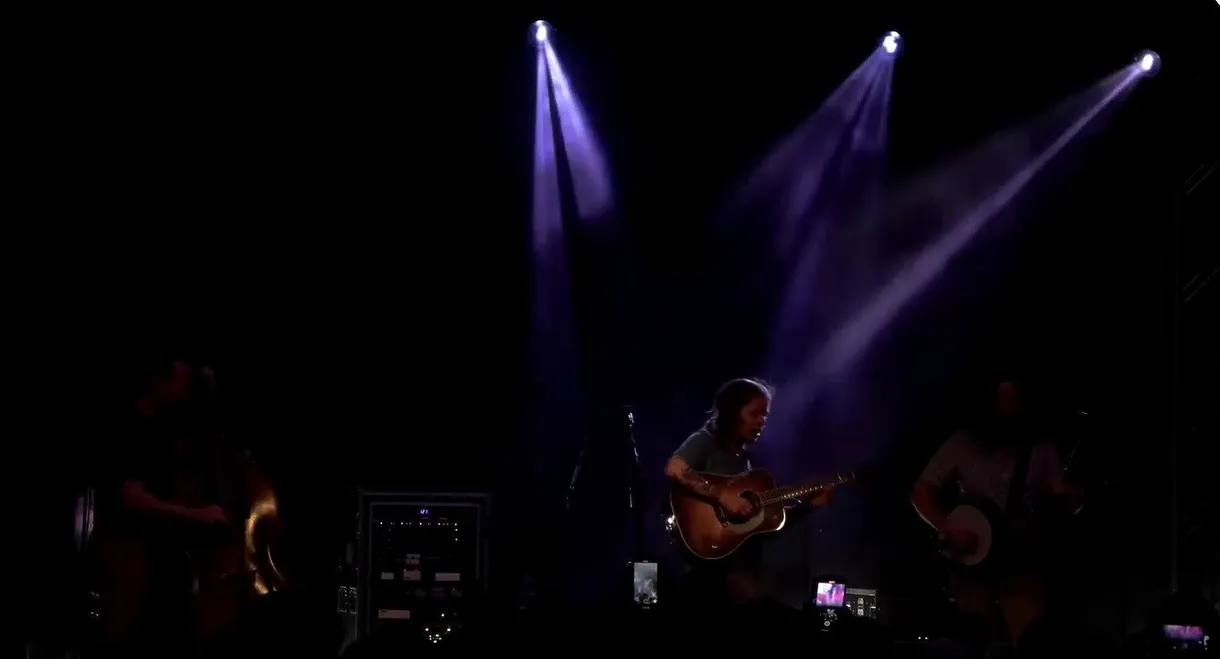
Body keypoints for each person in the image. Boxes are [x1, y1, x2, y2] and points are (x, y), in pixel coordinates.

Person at [910, 380, 1082, 650]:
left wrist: (1073, 500)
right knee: (970, 644)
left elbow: (1065, 498)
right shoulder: (963, 442)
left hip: (1022, 563)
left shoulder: (1040, 446)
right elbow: (921, 491)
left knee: (1032, 643)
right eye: (1002, 400)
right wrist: (949, 529)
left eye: (1014, 400)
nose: (1008, 408)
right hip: (973, 567)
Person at [90, 358, 237, 658]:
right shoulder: (128, 428)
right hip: (130, 573)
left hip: (149, 573)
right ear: (155, 382)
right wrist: (196, 516)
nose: (185, 394)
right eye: (180, 386)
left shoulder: (162, 431)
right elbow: (130, 497)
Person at [664, 378, 833, 607]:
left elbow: (762, 529)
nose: (762, 421)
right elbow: (675, 468)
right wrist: (721, 496)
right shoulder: (706, 441)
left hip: (739, 568)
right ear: (733, 412)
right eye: (755, 413)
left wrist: (808, 507)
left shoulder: (746, 466)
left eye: (765, 415)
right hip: (711, 572)